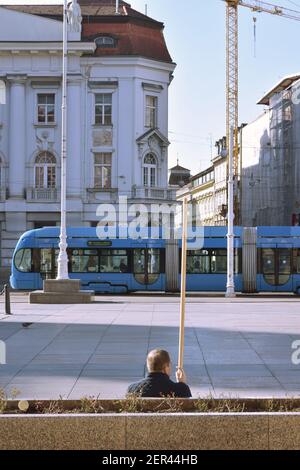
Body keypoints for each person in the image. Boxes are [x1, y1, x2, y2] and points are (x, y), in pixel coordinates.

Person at [127, 349, 192, 398]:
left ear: (148, 366)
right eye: (170, 364)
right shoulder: (180, 390)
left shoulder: (132, 389)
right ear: (166, 367)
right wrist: (182, 385)